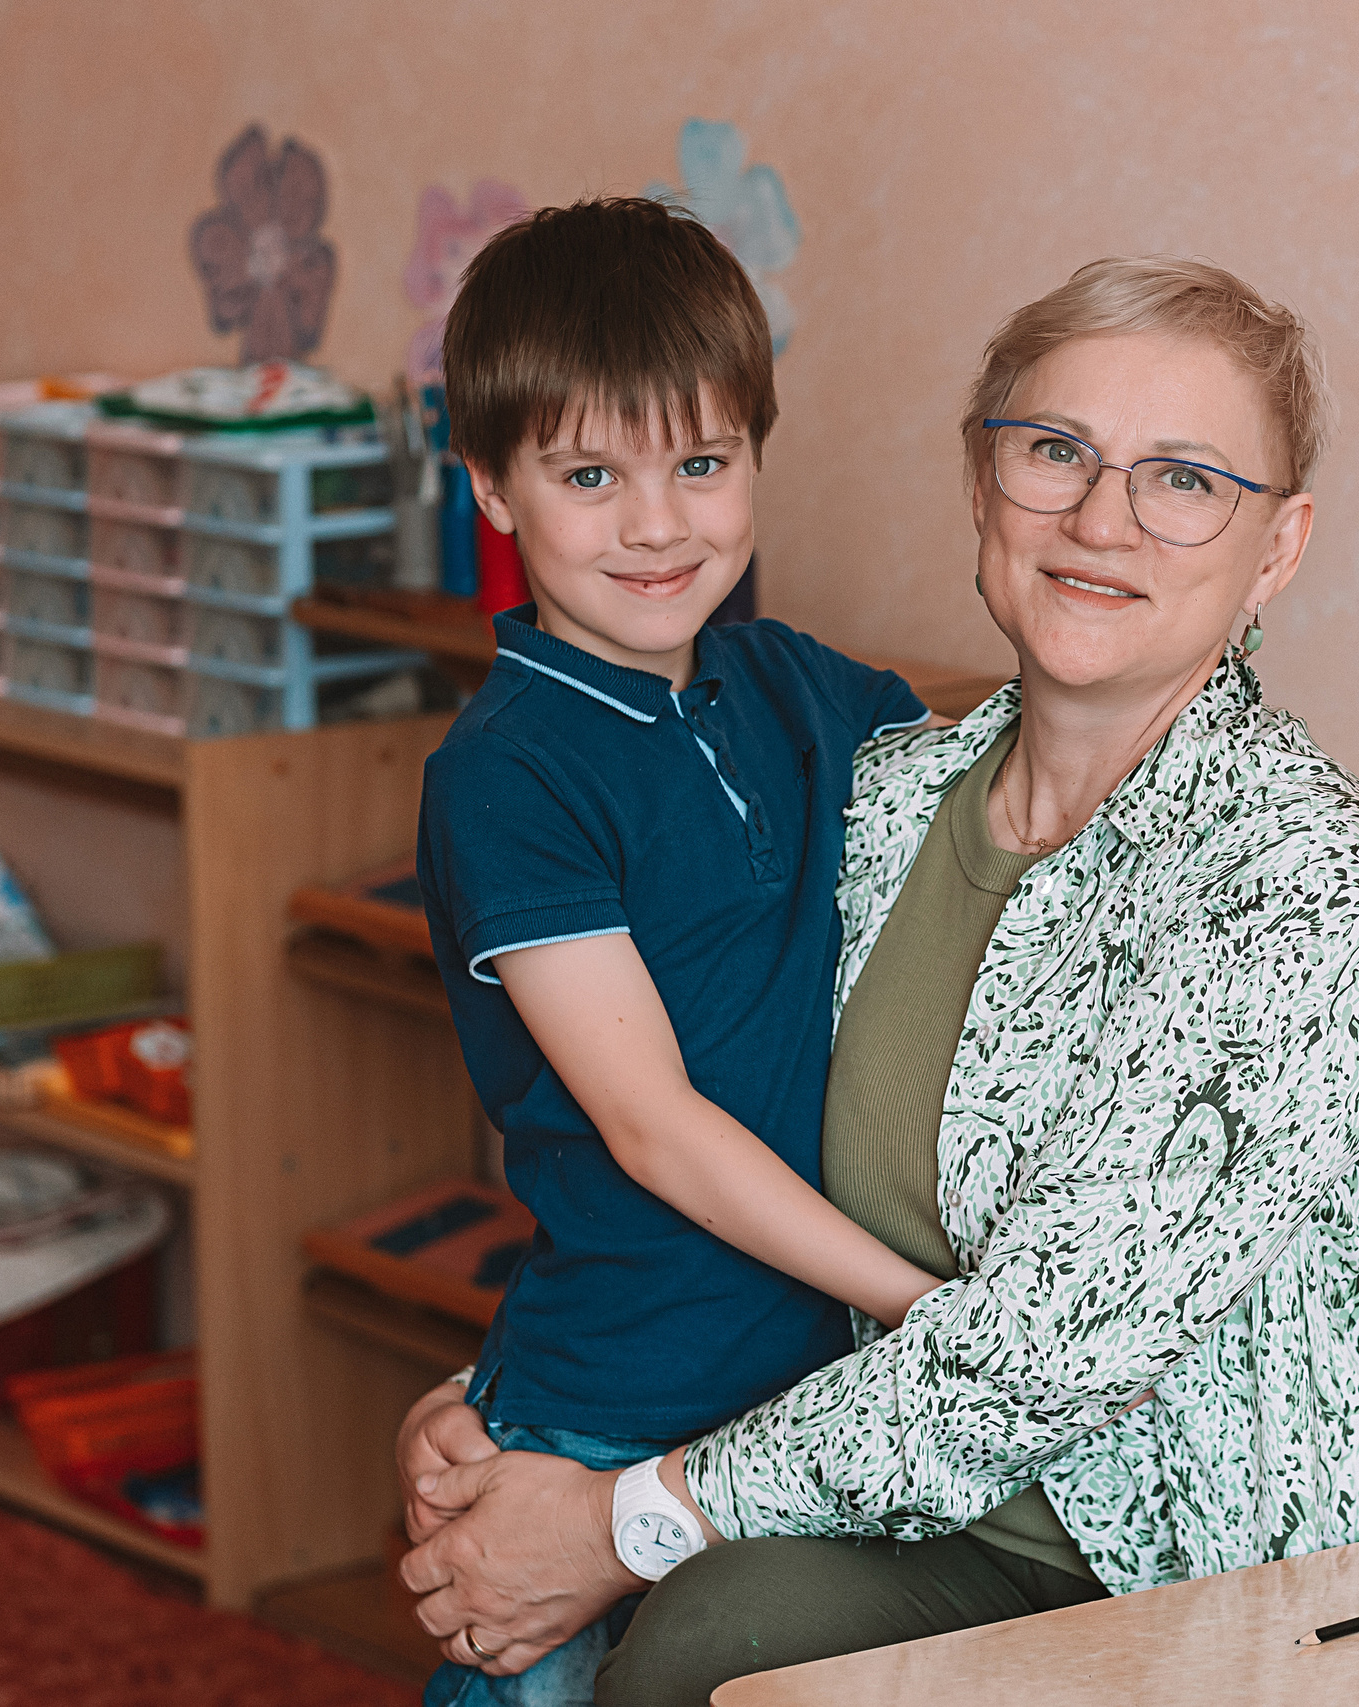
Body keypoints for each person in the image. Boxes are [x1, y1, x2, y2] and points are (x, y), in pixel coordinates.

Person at [397, 256, 1359, 1705]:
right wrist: (497, 1416)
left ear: (1280, 545)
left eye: (1185, 480)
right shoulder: (872, 796)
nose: (1101, 518)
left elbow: (1047, 1346)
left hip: (1251, 1566)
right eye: (1055, 453)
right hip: (934, 1507)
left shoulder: (1310, 882)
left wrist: (613, 1520)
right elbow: (659, 1114)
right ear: (983, 490)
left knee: (692, 1629)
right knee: (713, 1636)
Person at [411, 197, 948, 1706]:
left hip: (792, 1407)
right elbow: (651, 1128)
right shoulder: (511, 772)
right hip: (608, 1399)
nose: (658, 525)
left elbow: (1009, 804)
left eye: (702, 466)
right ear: (494, 489)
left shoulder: (803, 690)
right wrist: (924, 1307)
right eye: (591, 476)